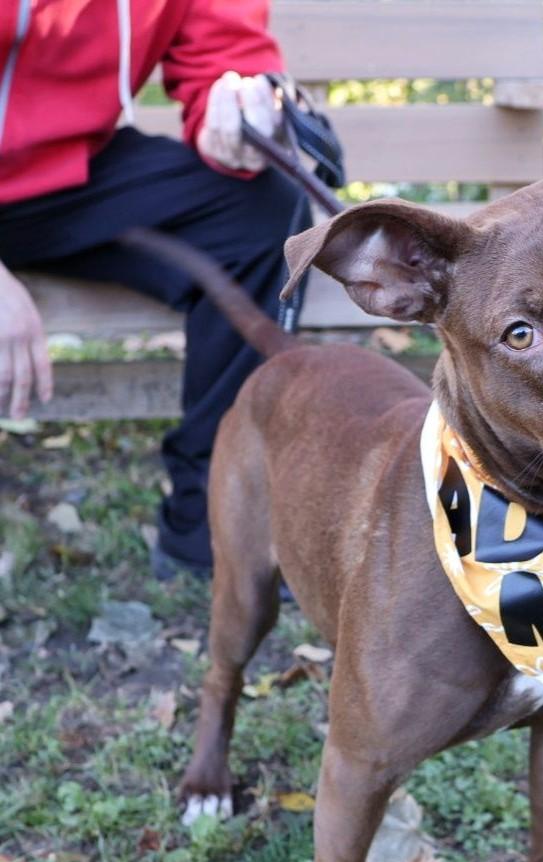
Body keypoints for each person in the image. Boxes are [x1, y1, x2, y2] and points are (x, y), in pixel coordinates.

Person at [0, 0, 311, 578]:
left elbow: (226, 52)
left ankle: (213, 528)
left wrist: (239, 111)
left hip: (60, 180)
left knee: (261, 210)